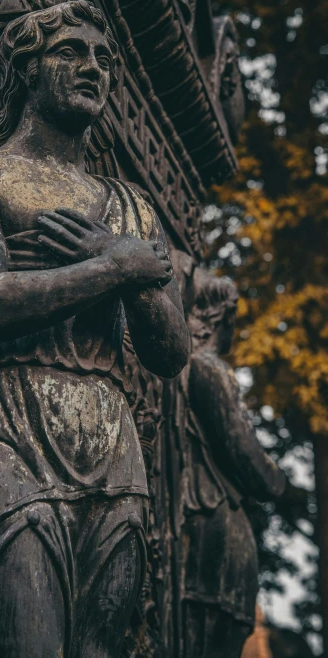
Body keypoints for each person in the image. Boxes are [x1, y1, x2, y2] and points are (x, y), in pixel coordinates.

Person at [0, 0, 190, 657]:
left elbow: (169, 350)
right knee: (28, 637)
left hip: (111, 432)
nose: (93, 68)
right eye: (71, 52)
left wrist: (126, 265)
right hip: (8, 424)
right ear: (24, 70)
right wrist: (115, 268)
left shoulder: (129, 203)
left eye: (104, 59)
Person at [181, 268, 286, 658]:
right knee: (215, 633)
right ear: (221, 318)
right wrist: (279, 479)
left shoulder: (184, 366)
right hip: (215, 516)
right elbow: (249, 459)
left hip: (203, 516)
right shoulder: (209, 369)